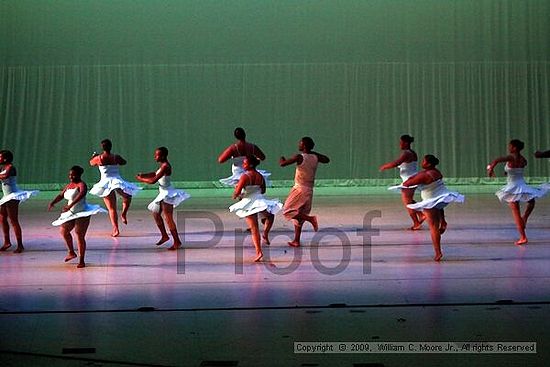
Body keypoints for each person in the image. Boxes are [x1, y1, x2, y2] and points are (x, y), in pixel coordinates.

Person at [403, 155, 464, 261]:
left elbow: (407, 183)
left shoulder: (424, 175)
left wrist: (413, 177)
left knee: (433, 227)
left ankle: (438, 253)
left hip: (430, 202)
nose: (422, 163)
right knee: (438, 207)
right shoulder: (436, 172)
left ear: (429, 164)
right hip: (440, 199)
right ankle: (443, 221)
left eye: (424, 161)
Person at [487, 139, 547, 246]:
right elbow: (516, 169)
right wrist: (507, 171)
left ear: (514, 148)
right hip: (521, 184)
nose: (508, 148)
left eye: (510, 146)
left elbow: (497, 160)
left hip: (513, 187)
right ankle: (525, 218)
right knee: (531, 201)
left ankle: (523, 237)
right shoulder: (523, 159)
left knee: (516, 212)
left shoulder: (511, 157)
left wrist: (491, 168)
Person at [49, 166, 106, 268]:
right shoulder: (69, 185)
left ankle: (81, 260)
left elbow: (81, 195)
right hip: (71, 212)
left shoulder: (82, 184)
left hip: (82, 212)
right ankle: (71, 252)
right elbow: (61, 195)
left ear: (79, 175)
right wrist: (53, 202)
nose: (71, 176)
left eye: (73, 175)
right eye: (70, 174)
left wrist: (70, 205)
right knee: (63, 231)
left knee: (79, 235)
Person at [229, 155, 282, 262]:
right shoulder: (260, 176)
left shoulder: (244, 177)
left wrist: (237, 193)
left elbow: (237, 194)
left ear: (251, 164)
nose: (243, 165)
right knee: (270, 216)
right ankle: (266, 233)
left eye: (245, 163)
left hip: (249, 202)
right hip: (259, 200)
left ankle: (259, 252)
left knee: (254, 228)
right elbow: (263, 191)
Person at [280, 137, 330, 247]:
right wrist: (313, 152)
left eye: (301, 144)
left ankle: (311, 219)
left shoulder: (299, 157)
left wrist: (281, 159)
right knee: (299, 217)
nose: (299, 145)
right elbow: (327, 159)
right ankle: (296, 240)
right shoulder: (315, 157)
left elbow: (283, 164)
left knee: (287, 210)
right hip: (309, 190)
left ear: (304, 146)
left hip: (300, 189)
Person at [136, 147, 189, 250]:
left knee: (168, 218)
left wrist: (141, 179)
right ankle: (164, 236)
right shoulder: (162, 166)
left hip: (167, 194)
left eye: (157, 155)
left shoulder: (165, 166)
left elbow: (153, 180)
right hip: (162, 193)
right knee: (156, 213)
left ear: (163, 156)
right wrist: (144, 174)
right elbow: (155, 174)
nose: (155, 157)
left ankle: (177, 242)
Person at [89, 139, 141, 237]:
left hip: (106, 183)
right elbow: (124, 162)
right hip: (117, 181)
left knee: (111, 208)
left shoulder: (98, 158)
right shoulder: (115, 157)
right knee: (128, 196)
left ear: (102, 148)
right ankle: (123, 214)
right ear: (110, 147)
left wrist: (94, 157)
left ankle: (116, 229)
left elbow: (91, 163)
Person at [379, 134, 425, 230]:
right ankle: (421, 214)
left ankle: (416, 223)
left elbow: (397, 163)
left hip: (410, 181)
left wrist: (385, 166)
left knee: (407, 203)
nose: (400, 144)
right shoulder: (411, 152)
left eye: (401, 142)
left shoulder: (407, 153)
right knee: (409, 200)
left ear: (406, 143)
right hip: (411, 179)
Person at [0, 150, 39, 253]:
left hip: (13, 196)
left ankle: (20, 245)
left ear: (5, 159)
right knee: (2, 218)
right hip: (6, 196)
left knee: (13, 220)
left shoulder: (11, 168)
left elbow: (5, 176)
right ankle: (7, 242)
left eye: (0, 157)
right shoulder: (3, 168)